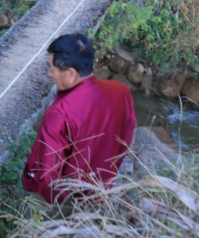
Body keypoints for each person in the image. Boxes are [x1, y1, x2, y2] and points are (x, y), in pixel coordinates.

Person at [22, 34, 136, 205]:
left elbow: (48, 177)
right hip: (102, 188)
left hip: (71, 198)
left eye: (52, 68)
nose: (49, 73)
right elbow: (127, 134)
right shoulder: (121, 91)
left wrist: (62, 205)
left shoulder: (59, 114)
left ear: (71, 74)